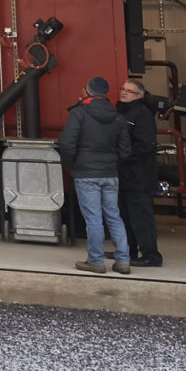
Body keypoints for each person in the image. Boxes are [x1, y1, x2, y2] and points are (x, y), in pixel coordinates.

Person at [59, 76, 133, 275]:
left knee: (93, 219)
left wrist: (72, 165)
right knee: (114, 216)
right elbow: (126, 150)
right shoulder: (118, 117)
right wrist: (111, 162)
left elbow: (67, 144)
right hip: (110, 173)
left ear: (87, 91)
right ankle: (123, 261)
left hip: (86, 173)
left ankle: (96, 261)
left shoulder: (79, 113)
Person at [116, 78, 164, 267]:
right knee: (125, 215)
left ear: (139, 96)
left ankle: (151, 255)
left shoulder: (141, 114)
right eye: (123, 89)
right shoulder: (121, 112)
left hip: (139, 176)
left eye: (129, 91)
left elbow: (145, 145)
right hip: (126, 175)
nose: (124, 92)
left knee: (141, 217)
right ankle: (129, 251)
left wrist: (123, 156)